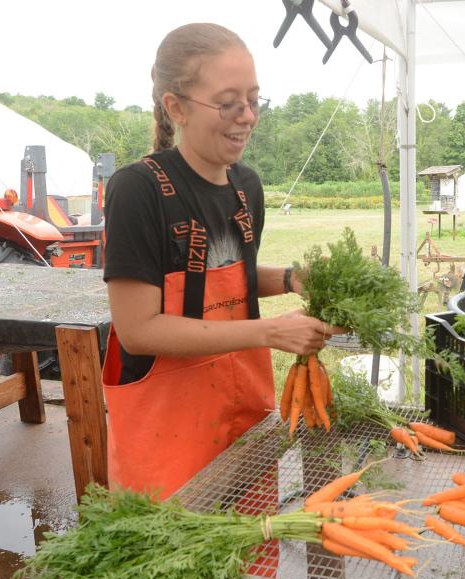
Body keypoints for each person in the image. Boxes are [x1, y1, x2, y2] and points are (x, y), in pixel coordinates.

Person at [101, 23, 342, 499]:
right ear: (176, 108)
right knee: (177, 564)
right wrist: (269, 333)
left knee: (252, 555)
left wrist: (291, 278)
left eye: (254, 100)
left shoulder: (245, 186)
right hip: (166, 430)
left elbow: (220, 283)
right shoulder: (139, 190)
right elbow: (138, 329)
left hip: (242, 410)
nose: (247, 116)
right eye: (229, 102)